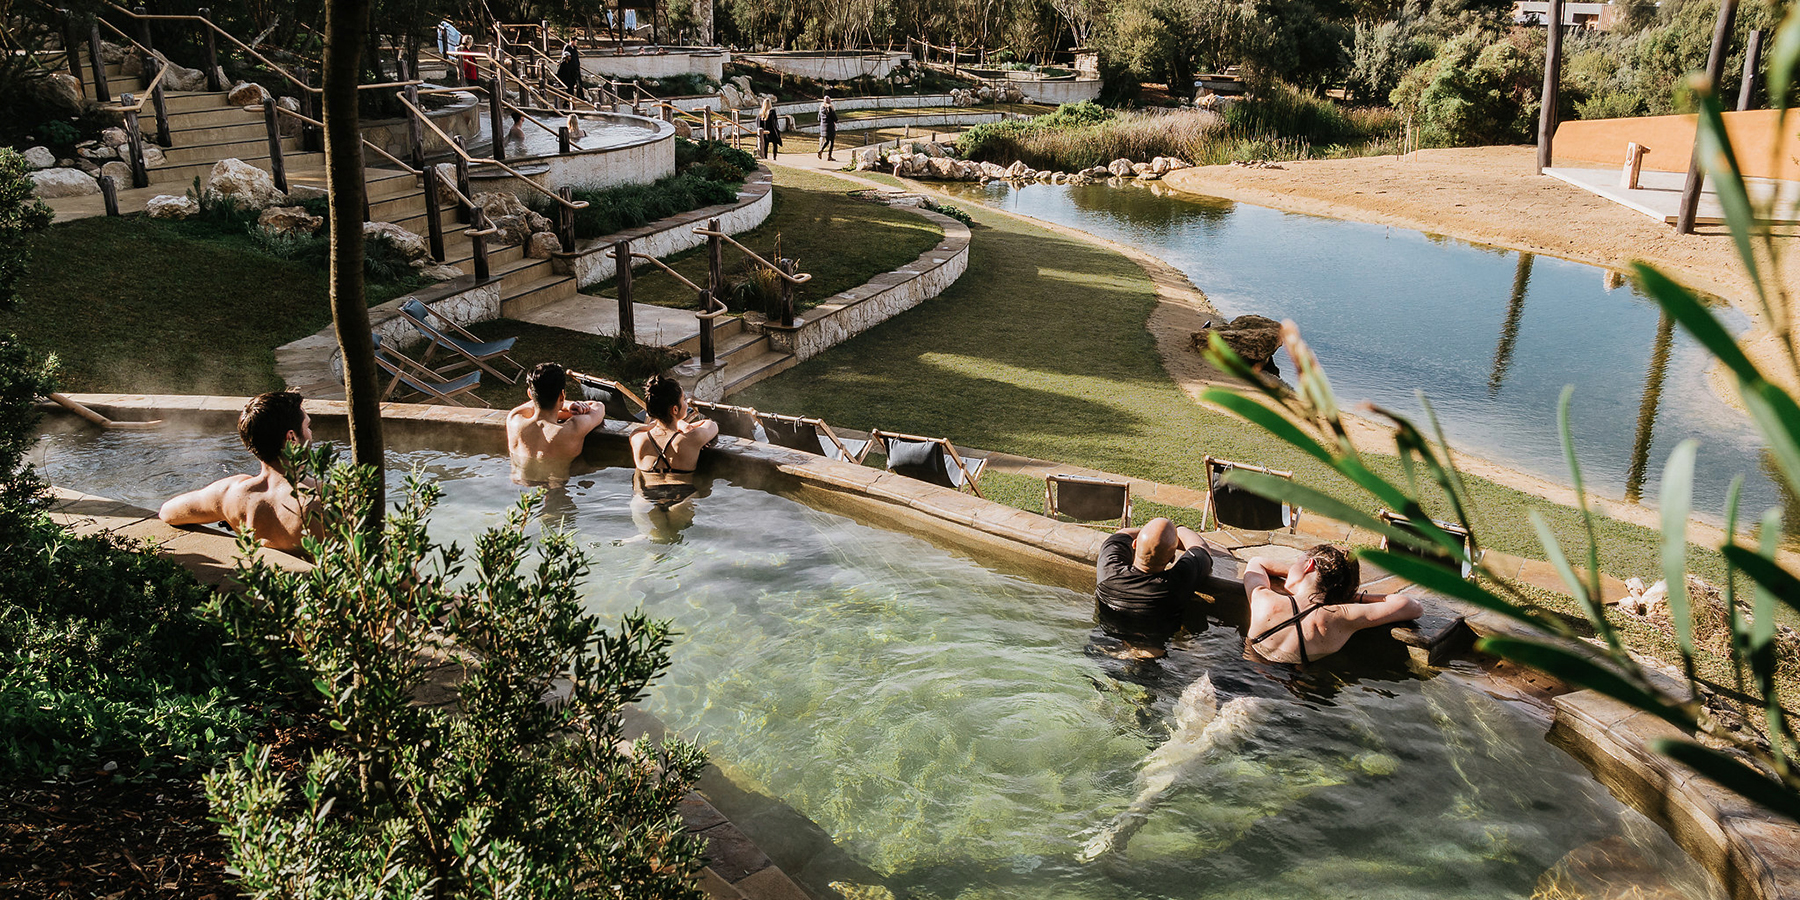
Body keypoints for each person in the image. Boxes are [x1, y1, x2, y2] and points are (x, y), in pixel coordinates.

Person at [159, 391, 318, 554]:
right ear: (291, 438)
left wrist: (228, 514)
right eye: (307, 426)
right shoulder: (324, 499)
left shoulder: (231, 494)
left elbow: (167, 512)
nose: (311, 433)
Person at [1243, 545, 1422, 665]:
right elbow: (1412, 606)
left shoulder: (1264, 600)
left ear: (1308, 565)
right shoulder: (1342, 616)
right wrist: (1350, 596)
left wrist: (1294, 578)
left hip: (1244, 677)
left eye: (1296, 562)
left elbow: (1256, 562)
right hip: (1291, 694)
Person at [1094, 518, 1218, 659]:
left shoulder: (1109, 568)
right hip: (1152, 655)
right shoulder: (1178, 582)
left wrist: (1152, 536)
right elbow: (1200, 547)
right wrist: (1178, 530)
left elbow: (1123, 533)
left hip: (1104, 647)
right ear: (1172, 558)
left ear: (1134, 544)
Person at [629, 375, 718, 543]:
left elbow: (649, 427)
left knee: (655, 543)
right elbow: (711, 425)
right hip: (681, 500)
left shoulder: (637, 439)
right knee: (672, 544)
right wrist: (682, 424)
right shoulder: (691, 440)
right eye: (683, 400)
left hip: (644, 502)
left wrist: (674, 422)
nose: (686, 403)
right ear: (675, 410)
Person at [506, 362, 607, 486]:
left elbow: (533, 404)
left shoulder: (514, 420)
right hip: (556, 490)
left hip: (521, 492)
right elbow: (598, 407)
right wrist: (568, 405)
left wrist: (564, 405)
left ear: (529, 393)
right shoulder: (572, 429)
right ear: (562, 395)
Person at [817, 96, 838, 161]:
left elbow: (818, 119)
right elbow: (835, 119)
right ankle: (829, 156)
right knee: (831, 141)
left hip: (823, 127)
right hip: (830, 127)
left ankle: (821, 150)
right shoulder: (830, 109)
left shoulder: (821, 109)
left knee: (827, 141)